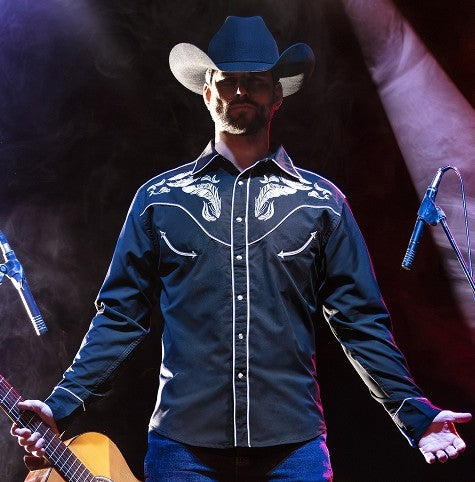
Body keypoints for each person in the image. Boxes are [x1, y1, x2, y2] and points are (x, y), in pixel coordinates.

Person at [11, 15, 471, 481]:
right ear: (207, 92)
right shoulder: (159, 200)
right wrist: (60, 405)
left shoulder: (322, 203)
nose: (240, 90)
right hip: (182, 453)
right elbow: (119, 318)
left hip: (294, 452)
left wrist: (417, 415)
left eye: (255, 80)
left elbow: (361, 321)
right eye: (227, 80)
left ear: (277, 95)